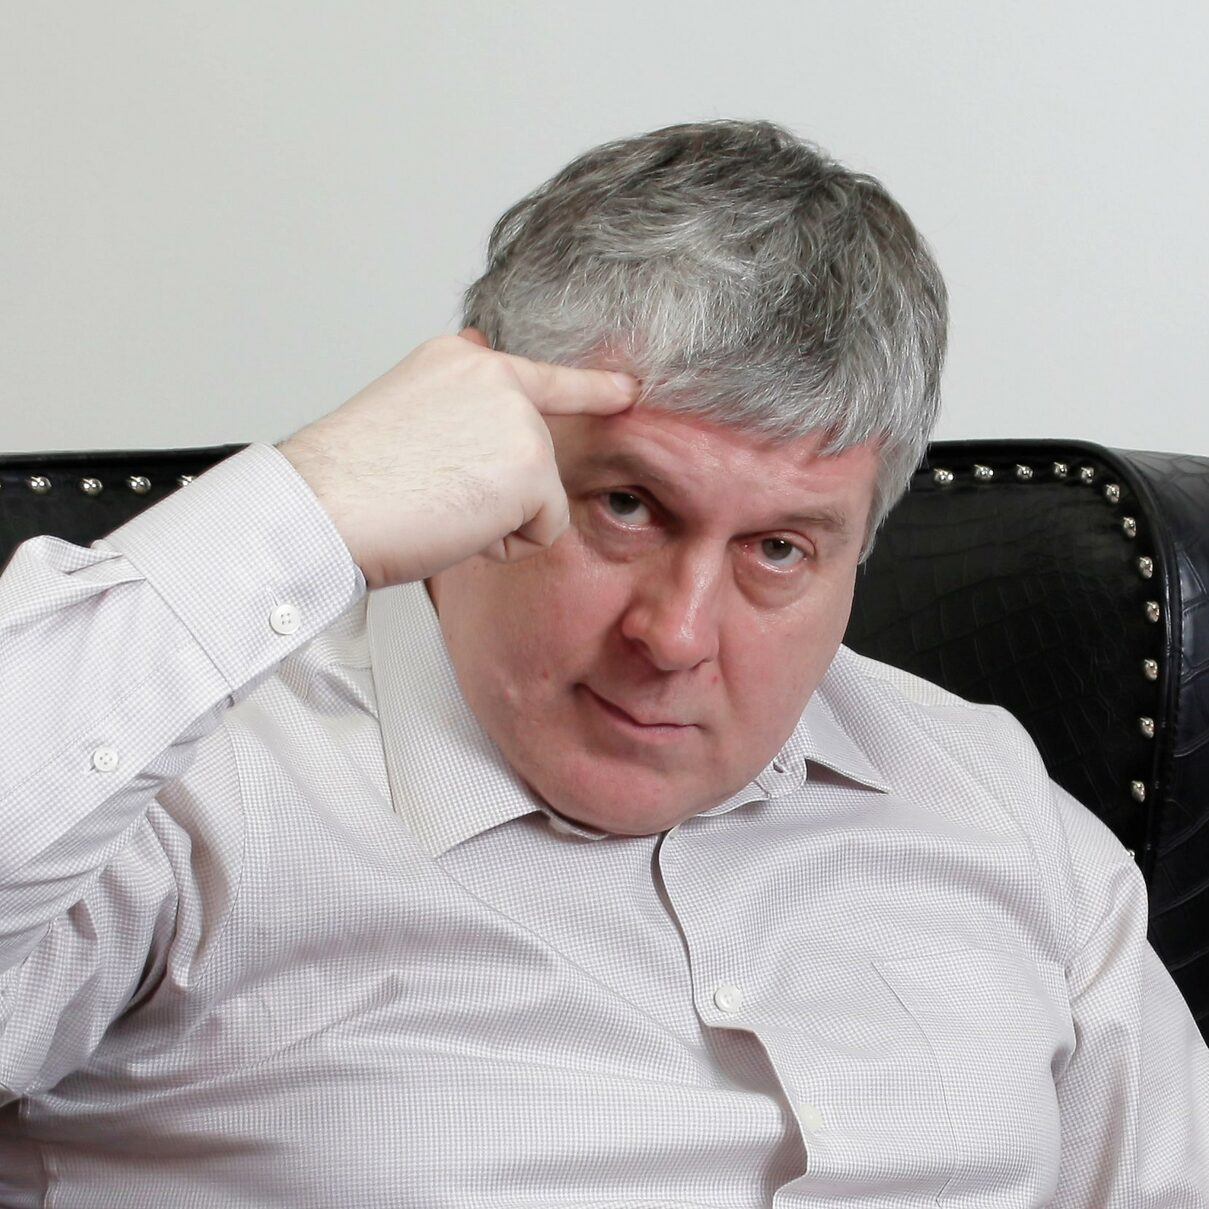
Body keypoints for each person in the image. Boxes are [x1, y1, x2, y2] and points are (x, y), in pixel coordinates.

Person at [0, 120, 1204, 1207]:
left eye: (779, 550)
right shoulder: (170, 790)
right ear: (474, 449)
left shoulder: (994, 805)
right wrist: (311, 501)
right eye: (626, 506)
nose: (675, 636)